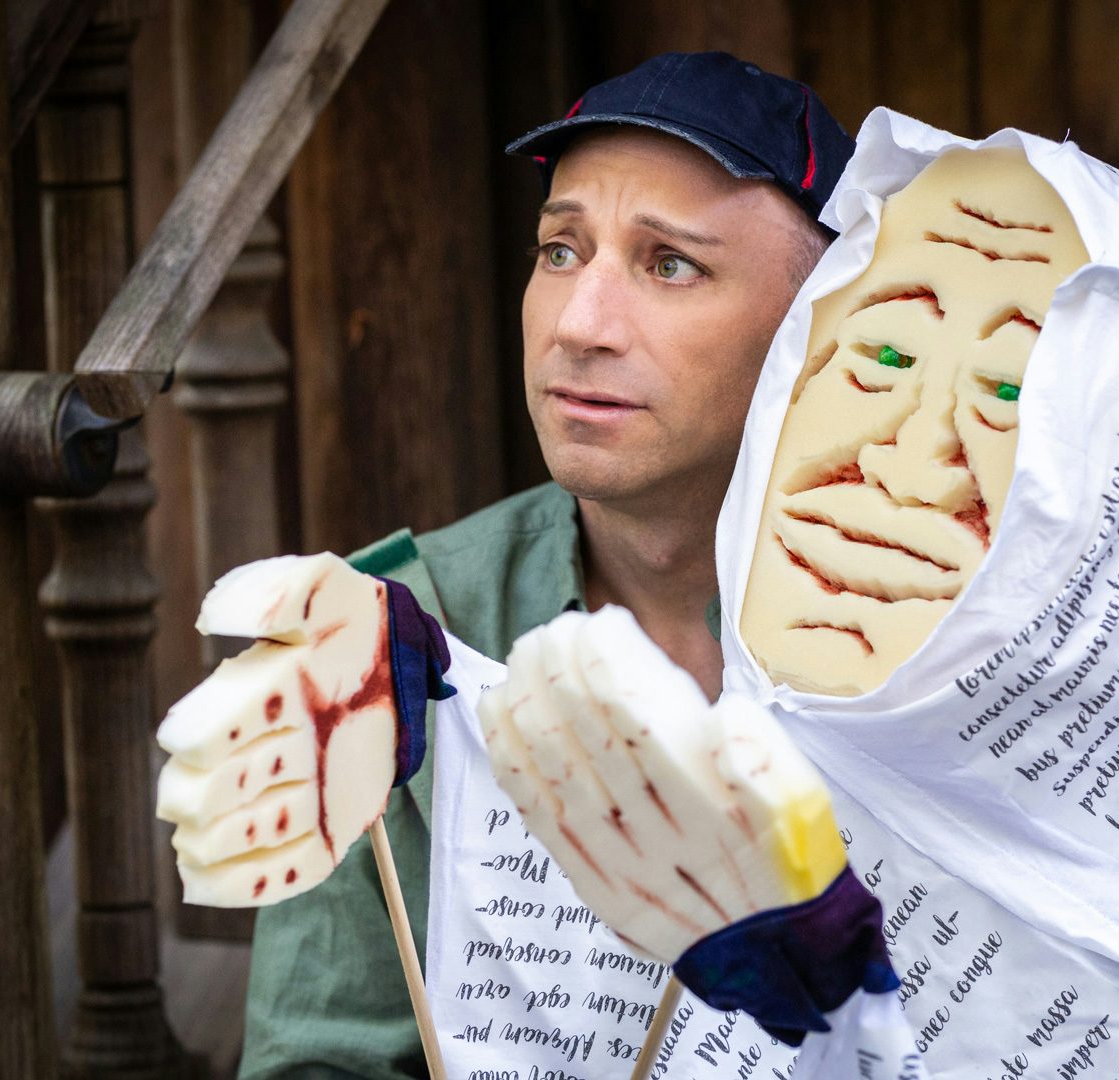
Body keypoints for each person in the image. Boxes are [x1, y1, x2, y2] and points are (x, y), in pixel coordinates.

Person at [237, 51, 856, 1078]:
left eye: (670, 265)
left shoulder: (936, 643)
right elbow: (317, 1060)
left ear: (815, 328)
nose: (578, 325)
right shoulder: (390, 638)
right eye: (561, 250)